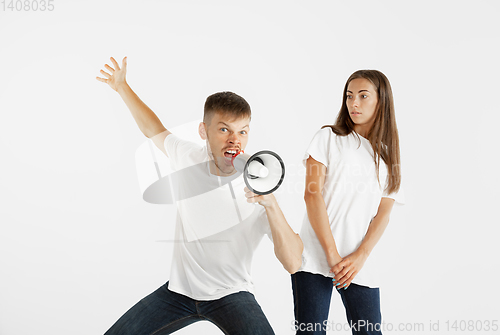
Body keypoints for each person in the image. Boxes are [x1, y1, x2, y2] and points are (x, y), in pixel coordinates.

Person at [96, 56, 303, 335]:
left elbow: (293, 262)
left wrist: (272, 204)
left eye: (242, 131)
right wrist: (122, 86)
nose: (235, 140)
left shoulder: (259, 180)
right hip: (178, 293)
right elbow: (152, 128)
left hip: (231, 295)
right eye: (224, 130)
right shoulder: (187, 156)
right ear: (203, 131)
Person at [291, 70, 405, 335]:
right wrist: (332, 254)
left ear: (382, 101)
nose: (353, 103)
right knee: (310, 332)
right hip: (315, 257)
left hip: (357, 264)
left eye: (363, 96)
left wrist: (360, 256)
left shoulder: (388, 157)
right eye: (349, 96)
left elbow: (383, 215)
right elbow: (312, 194)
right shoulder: (328, 138)